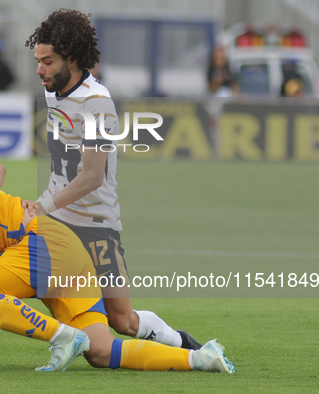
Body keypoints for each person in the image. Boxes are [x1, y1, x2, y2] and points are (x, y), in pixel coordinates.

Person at [0, 164, 235, 373]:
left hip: (43, 239)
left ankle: (60, 339)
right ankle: (197, 356)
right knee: (104, 349)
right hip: (38, 261)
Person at [27, 9, 200, 349]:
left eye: (47, 61)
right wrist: (46, 206)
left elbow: (91, 176)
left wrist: (42, 204)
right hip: (54, 219)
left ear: (72, 59)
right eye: (38, 60)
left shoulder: (98, 104)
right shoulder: (53, 91)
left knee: (122, 320)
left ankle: (180, 343)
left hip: (95, 224)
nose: (39, 70)